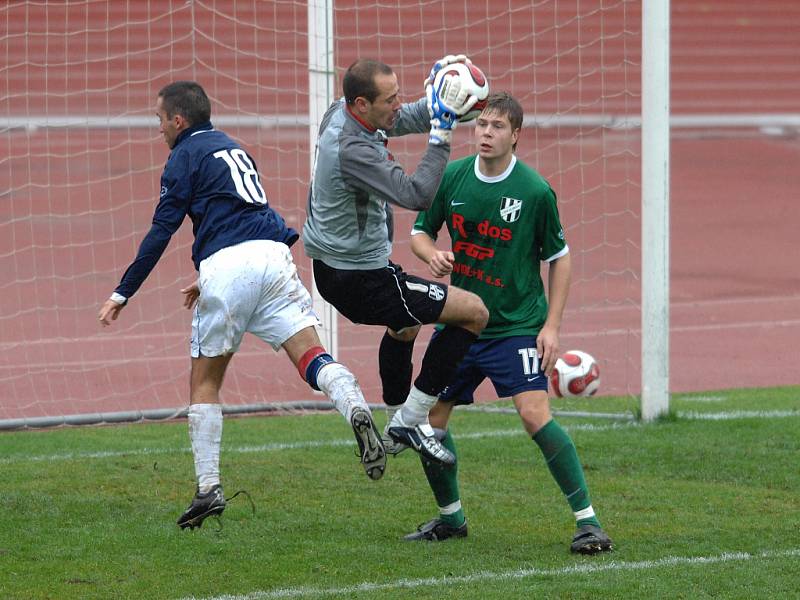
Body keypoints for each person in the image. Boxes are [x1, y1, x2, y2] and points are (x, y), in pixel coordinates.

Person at [97, 81, 386, 530]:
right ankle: (355, 407)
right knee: (312, 355)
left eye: (159, 120)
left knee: (205, 382)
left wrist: (123, 291)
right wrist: (208, 274)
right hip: (273, 257)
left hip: (229, 267)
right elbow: (238, 214)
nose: (158, 129)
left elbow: (161, 231)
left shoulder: (182, 157)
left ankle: (208, 489)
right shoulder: (233, 148)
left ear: (178, 120)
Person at [405, 92, 613, 554]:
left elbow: (560, 259)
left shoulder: (535, 191)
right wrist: (431, 254)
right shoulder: (452, 176)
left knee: (534, 414)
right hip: (459, 322)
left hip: (515, 326)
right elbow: (420, 231)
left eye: (497, 126)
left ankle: (589, 523)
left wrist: (552, 327)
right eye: (481, 124)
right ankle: (450, 519)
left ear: (515, 135)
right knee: (429, 423)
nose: (485, 133)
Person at [302, 57, 489, 466]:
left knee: (404, 327)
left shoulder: (342, 110)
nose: (398, 104)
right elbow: (418, 194)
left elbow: (400, 119)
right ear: (362, 104)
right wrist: (441, 133)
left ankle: (394, 421)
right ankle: (411, 417)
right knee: (474, 313)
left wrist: (441, 105)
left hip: (342, 270)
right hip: (358, 278)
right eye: (390, 99)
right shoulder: (352, 151)